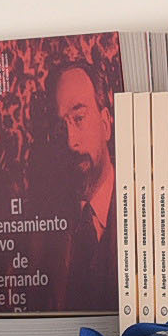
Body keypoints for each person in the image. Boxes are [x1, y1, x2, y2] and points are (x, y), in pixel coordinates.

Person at [54, 60, 119, 309]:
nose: (71, 142)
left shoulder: (146, 206)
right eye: (61, 127)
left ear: (105, 123)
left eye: (79, 118)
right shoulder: (44, 233)